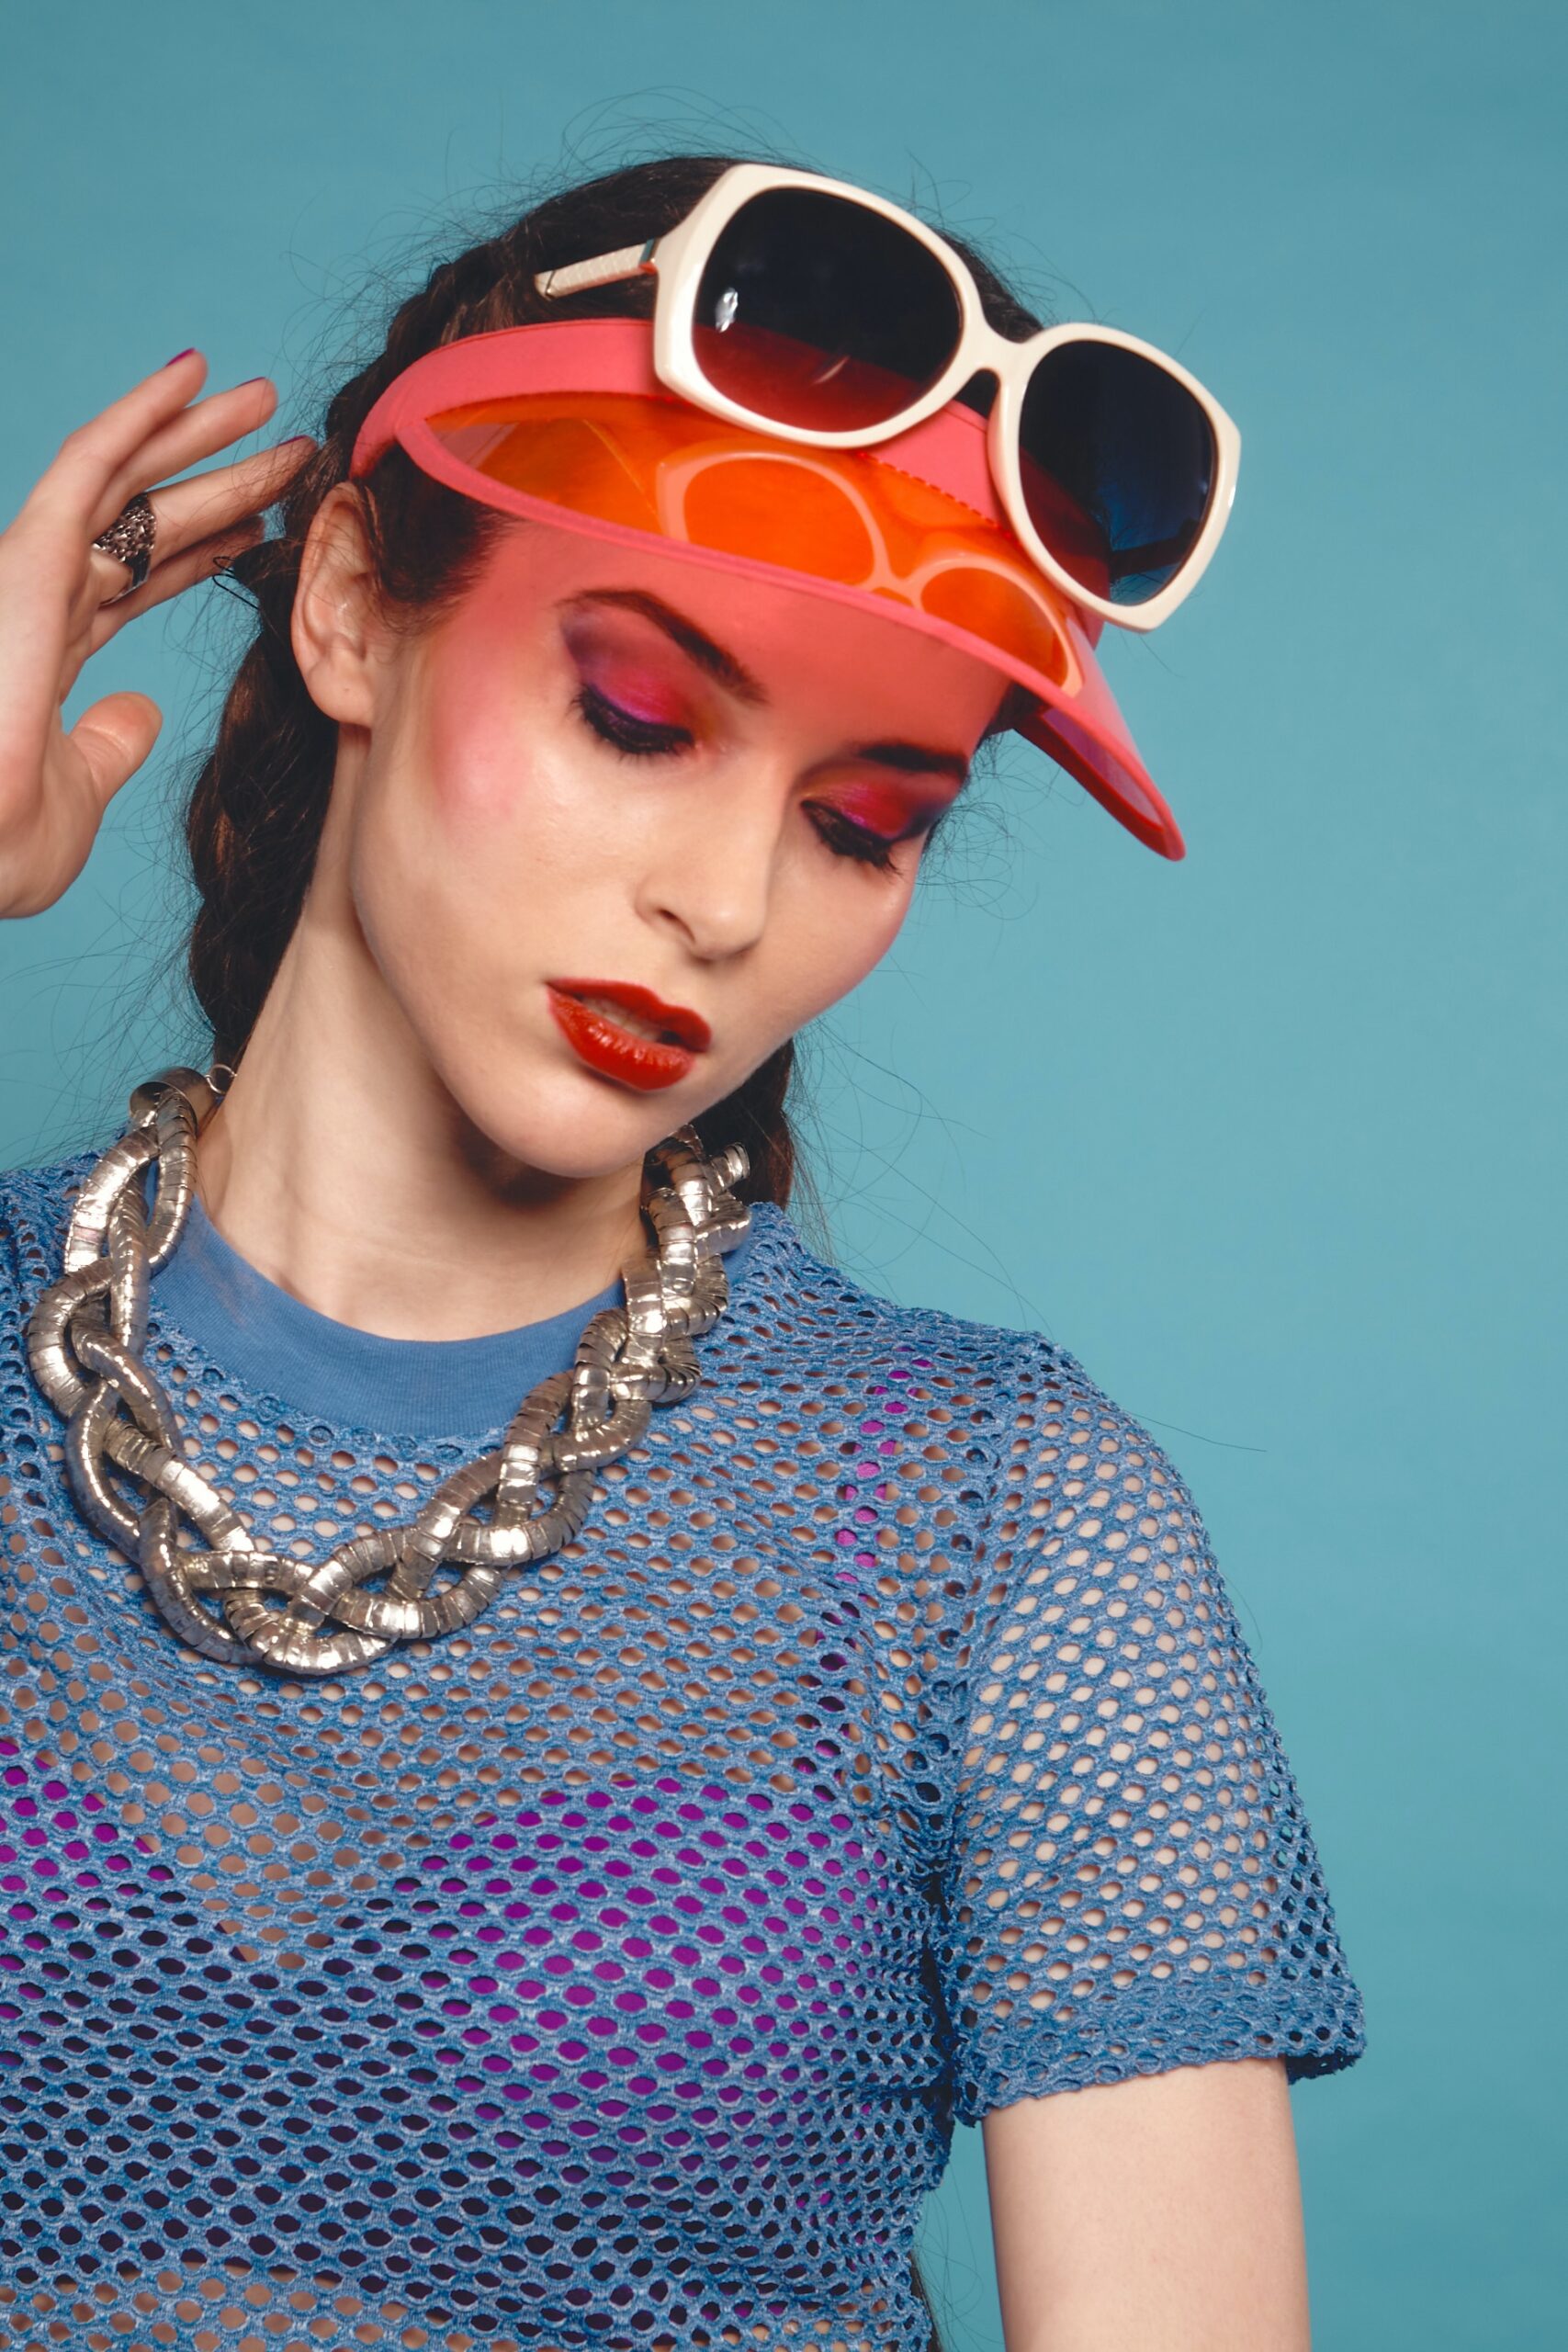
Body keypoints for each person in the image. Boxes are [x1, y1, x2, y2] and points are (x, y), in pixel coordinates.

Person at [0, 153, 1364, 2352]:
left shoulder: (989, 1529)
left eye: (864, 820)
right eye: (637, 715)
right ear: (349, 600)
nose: (731, 902)